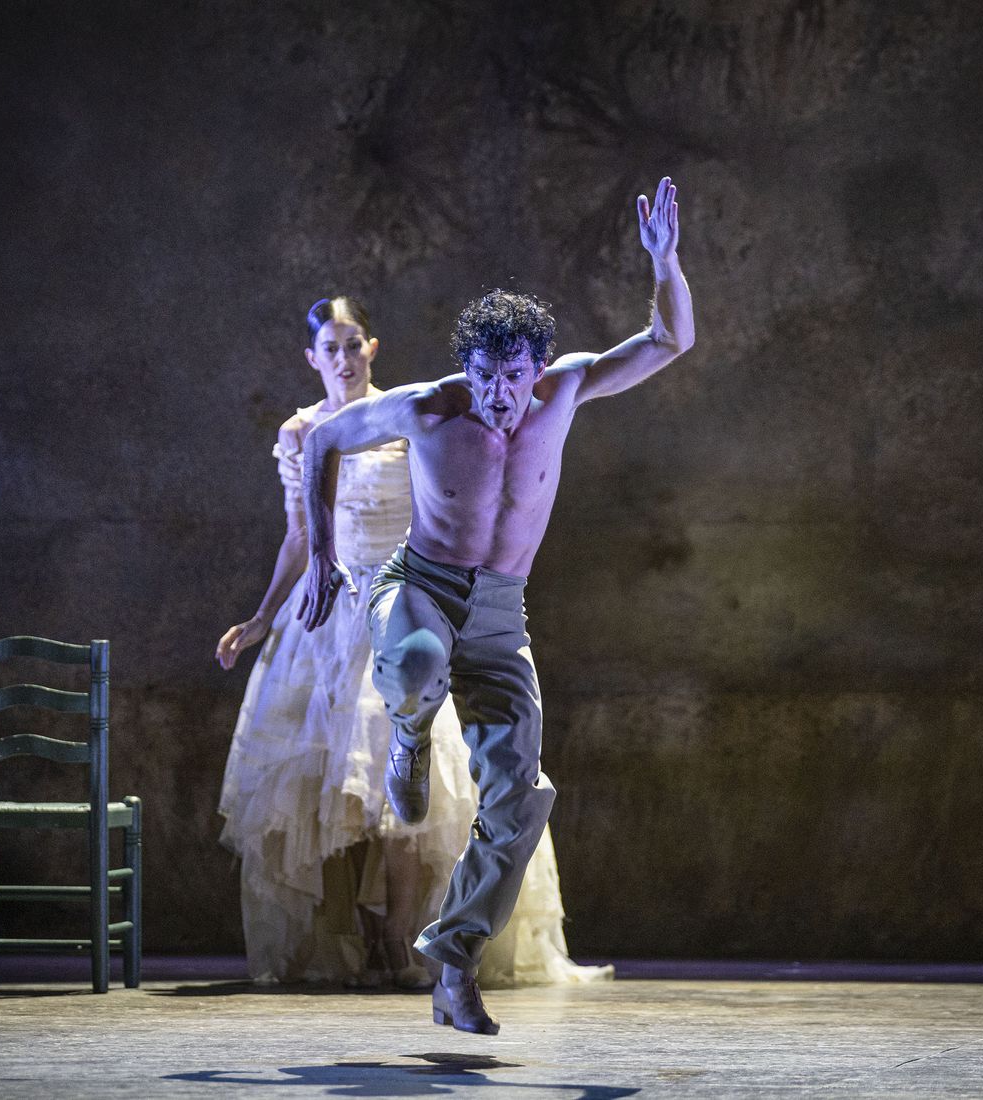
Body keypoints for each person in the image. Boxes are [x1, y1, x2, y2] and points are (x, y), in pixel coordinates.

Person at [298, 177, 693, 1033]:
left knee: (521, 800)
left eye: (513, 377)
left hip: (502, 618)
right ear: (466, 366)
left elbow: (671, 338)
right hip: (422, 588)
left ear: (535, 370)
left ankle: (453, 957)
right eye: (485, 375)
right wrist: (325, 552)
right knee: (417, 662)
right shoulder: (429, 408)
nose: (499, 395)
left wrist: (664, 262)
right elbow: (326, 437)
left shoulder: (566, 390)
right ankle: (408, 737)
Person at [216, 295, 609, 990]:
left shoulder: (408, 411)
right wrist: (260, 618)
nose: (341, 358)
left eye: (352, 344)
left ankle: (402, 937)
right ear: (312, 357)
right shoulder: (304, 429)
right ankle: (353, 941)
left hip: (412, 595)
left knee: (418, 779)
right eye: (328, 348)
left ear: (371, 347)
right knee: (330, 788)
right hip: (333, 610)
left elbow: (461, 495)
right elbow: (300, 537)